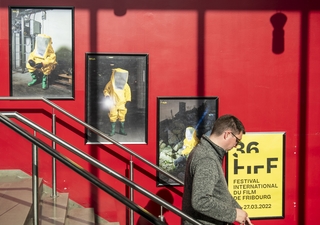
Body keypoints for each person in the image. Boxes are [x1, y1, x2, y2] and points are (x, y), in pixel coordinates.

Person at [181, 114, 253, 225]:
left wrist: (239, 211)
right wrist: (233, 214)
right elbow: (200, 201)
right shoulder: (207, 158)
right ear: (227, 134)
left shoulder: (205, 151)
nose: (236, 146)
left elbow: (218, 191)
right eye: (237, 141)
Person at [103, 68, 131, 136]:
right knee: (113, 115)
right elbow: (106, 90)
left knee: (122, 116)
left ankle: (122, 130)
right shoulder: (111, 83)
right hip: (113, 102)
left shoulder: (125, 85)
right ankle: (113, 131)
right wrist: (107, 95)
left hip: (122, 103)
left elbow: (128, 93)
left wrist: (127, 101)